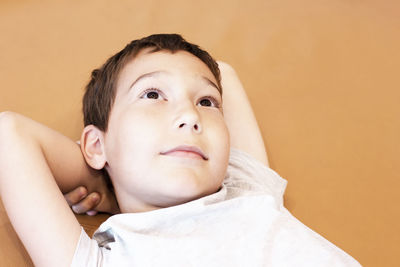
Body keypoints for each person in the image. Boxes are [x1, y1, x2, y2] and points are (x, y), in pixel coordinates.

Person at [0, 34, 361, 266]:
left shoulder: (246, 189)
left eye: (206, 101)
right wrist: (110, 176)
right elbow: (8, 133)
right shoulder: (102, 260)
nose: (189, 115)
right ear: (96, 145)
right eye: (152, 95)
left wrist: (116, 178)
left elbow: (224, 74)